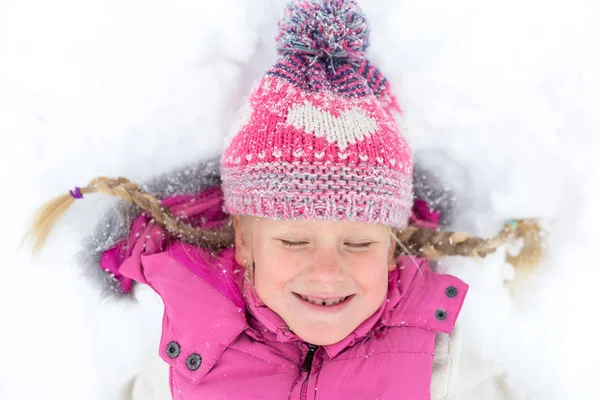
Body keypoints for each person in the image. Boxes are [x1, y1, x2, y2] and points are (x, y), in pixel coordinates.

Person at [25, 1, 540, 398]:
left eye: (358, 242)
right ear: (245, 244)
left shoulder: (436, 354)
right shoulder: (192, 345)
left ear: (391, 250)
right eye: (294, 239)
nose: (326, 271)